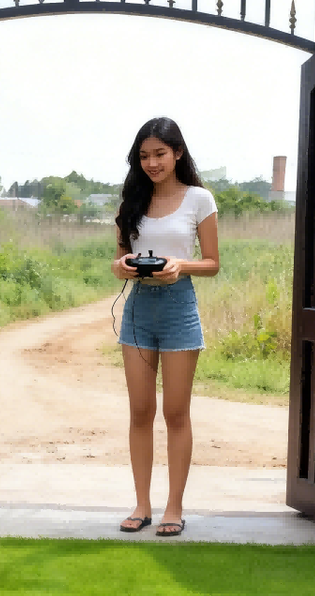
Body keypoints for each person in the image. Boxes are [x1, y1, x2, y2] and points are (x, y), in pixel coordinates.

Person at [111, 117, 219, 537]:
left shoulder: (199, 199)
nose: (152, 163)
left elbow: (212, 263)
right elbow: (119, 259)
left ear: (177, 153)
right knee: (140, 411)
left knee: (176, 412)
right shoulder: (131, 202)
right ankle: (142, 505)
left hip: (179, 308)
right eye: (144, 156)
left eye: (159, 154)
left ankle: (174, 507)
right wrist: (122, 266)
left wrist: (180, 266)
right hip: (138, 309)